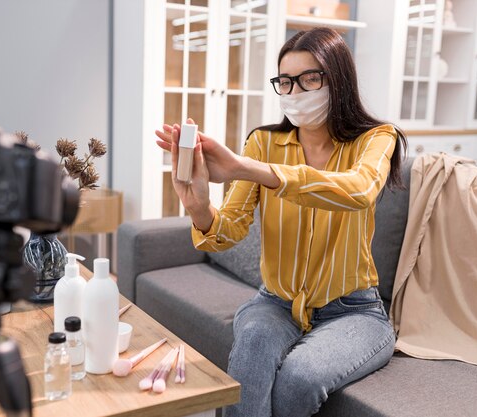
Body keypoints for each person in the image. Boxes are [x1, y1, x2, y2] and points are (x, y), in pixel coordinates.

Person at [155, 27, 408, 417]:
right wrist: (200, 208)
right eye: (285, 82)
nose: (295, 92)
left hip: (354, 311)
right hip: (276, 302)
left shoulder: (375, 139)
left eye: (310, 78)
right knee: (251, 354)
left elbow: (358, 191)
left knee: (299, 378)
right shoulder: (263, 143)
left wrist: (253, 170)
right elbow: (230, 229)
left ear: (338, 79)